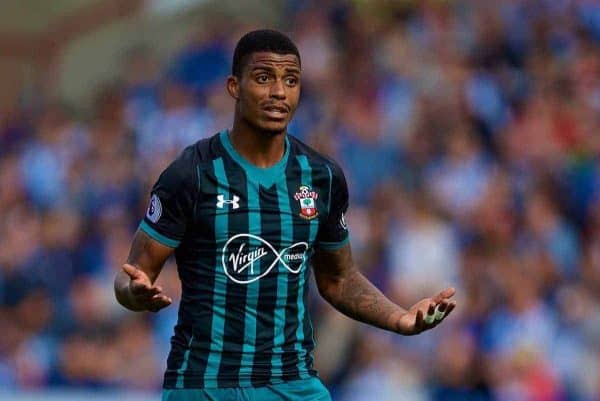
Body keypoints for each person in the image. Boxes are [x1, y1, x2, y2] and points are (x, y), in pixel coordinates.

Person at [114, 29, 456, 401]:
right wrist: (134, 293)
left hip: (293, 385)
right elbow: (132, 276)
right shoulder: (192, 173)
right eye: (264, 78)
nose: (279, 92)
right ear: (234, 86)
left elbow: (339, 280)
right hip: (206, 385)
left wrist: (399, 318)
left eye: (290, 80)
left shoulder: (321, 176)